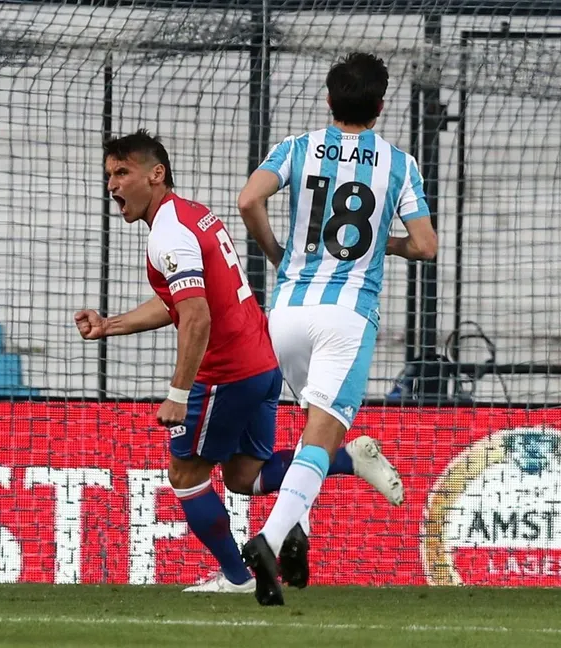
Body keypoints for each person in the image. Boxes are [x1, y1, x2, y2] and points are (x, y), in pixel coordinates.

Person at [76, 130, 403, 594]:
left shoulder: (169, 233)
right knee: (244, 477)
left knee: (185, 477)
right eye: (109, 174)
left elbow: (196, 318)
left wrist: (176, 394)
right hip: (261, 363)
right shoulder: (192, 216)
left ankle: (237, 578)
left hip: (226, 374)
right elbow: (181, 302)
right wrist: (111, 325)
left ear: (156, 173)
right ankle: (348, 459)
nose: (112, 184)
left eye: (122, 172)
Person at [237, 52, 436, 606]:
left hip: (285, 313)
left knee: (307, 440)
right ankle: (271, 539)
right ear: (379, 105)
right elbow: (425, 245)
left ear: (329, 100)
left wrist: (277, 251)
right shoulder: (399, 162)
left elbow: (249, 199)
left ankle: (297, 534)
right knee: (321, 439)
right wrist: (382, 244)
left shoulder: (296, 148)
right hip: (346, 317)